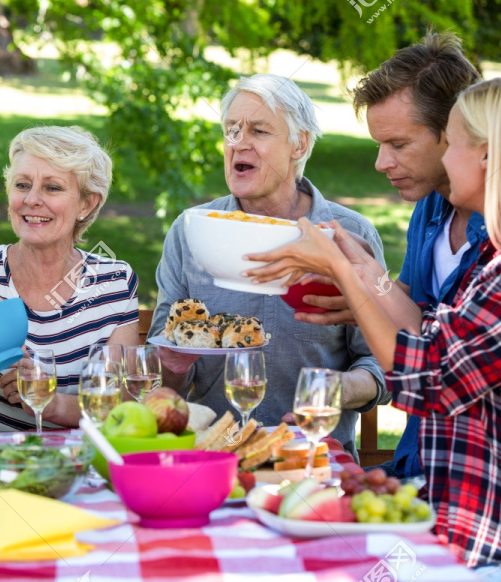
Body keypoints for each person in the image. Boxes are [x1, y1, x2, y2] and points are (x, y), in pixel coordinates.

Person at [244, 76, 501, 581]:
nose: (446, 159)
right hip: (462, 527)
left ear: (487, 155)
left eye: (455, 144)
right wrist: (362, 270)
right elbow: (427, 334)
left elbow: (428, 378)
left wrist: (341, 273)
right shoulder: (500, 256)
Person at [150, 74, 389, 459]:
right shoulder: (189, 231)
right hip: (212, 458)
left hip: (315, 458)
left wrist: (340, 388)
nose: (239, 142)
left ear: (300, 143)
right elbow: (163, 381)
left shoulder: (348, 235)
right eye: (232, 130)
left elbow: (383, 361)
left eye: (259, 130)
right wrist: (174, 367)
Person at [0, 126, 139, 454]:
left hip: (76, 467)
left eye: (52, 187)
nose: (32, 200)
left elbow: (121, 399)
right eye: (22, 185)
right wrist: (2, 351)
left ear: (86, 204)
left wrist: (53, 403)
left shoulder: (115, 281)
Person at [341, 31, 484, 481]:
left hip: (484, 475)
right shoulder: (429, 207)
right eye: (379, 145)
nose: (382, 163)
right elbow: (413, 301)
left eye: (398, 145)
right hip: (419, 458)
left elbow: (439, 353)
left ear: (455, 132)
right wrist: (356, 294)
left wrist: (358, 276)